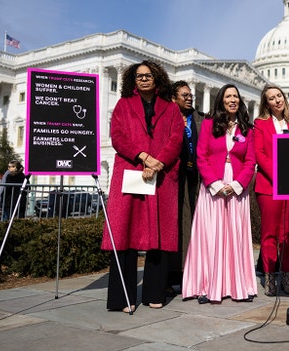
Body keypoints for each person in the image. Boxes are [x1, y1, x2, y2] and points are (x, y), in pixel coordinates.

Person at [100, 60, 184, 312]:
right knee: (125, 234)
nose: (144, 79)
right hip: (131, 172)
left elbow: (176, 138)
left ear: (157, 78)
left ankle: (153, 293)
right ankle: (122, 299)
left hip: (161, 176)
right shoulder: (123, 105)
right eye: (139, 76)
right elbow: (118, 136)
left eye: (148, 75)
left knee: (158, 235)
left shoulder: (170, 109)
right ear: (133, 80)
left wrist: (158, 162)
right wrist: (143, 156)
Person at [181, 84, 257, 304]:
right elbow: (201, 156)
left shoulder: (247, 129)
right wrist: (214, 183)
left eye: (235, 96)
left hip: (236, 187)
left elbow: (250, 161)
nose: (232, 100)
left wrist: (236, 184)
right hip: (213, 186)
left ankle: (238, 285)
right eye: (228, 96)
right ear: (221, 101)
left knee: (236, 235)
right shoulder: (208, 124)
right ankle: (207, 285)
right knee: (210, 235)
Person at [254, 85, 289, 296]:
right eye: (271, 98)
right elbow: (260, 154)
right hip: (269, 186)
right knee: (270, 234)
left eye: (279, 96)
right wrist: (278, 175)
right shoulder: (260, 124)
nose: (277, 100)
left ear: (284, 97)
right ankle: (270, 277)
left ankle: (287, 276)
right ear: (267, 103)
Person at [168, 80, 202, 293]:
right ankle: (172, 275)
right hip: (173, 176)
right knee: (176, 225)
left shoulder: (199, 118)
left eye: (190, 95)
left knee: (193, 225)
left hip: (195, 177)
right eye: (184, 95)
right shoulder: (168, 118)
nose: (189, 98)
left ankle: (191, 273)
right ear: (173, 98)